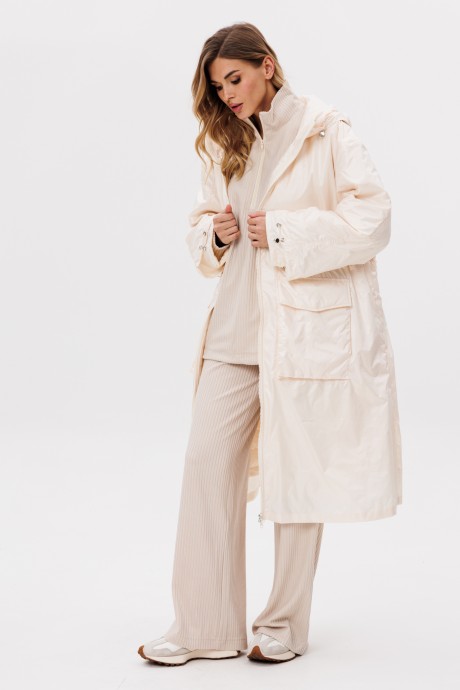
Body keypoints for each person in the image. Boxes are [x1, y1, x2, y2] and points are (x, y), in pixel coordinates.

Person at [138, 21, 402, 667]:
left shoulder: (324, 130)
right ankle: (203, 626)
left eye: (235, 78)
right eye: (217, 86)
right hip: (233, 334)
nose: (227, 94)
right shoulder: (224, 142)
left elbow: (373, 218)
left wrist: (283, 231)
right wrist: (217, 235)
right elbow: (200, 227)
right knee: (205, 465)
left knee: (296, 480)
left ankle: (283, 624)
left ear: (267, 65)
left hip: (301, 334)